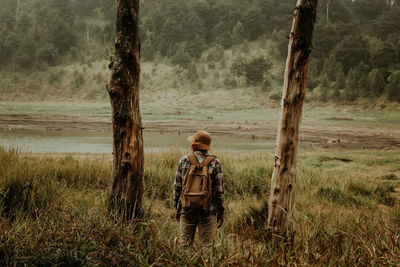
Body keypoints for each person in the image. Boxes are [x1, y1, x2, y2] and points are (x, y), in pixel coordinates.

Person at [173, 130, 225, 247]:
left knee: (184, 246)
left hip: (186, 209)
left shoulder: (184, 160)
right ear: (207, 147)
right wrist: (220, 211)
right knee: (206, 247)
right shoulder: (215, 162)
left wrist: (177, 208)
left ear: (194, 145)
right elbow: (219, 191)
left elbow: (177, 187)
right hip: (208, 210)